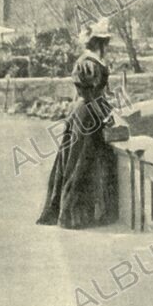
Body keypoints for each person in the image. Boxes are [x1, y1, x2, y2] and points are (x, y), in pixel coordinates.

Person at [37, 18, 118, 229]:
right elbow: (91, 95)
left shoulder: (89, 61)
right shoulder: (90, 63)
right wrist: (106, 115)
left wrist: (106, 110)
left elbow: (93, 94)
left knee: (77, 159)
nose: (106, 47)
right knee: (80, 161)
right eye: (104, 43)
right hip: (87, 114)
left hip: (83, 112)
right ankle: (74, 215)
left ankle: (77, 214)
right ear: (99, 44)